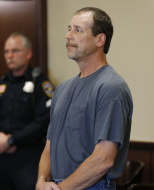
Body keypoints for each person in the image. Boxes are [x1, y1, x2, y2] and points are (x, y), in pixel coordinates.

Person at [36, 7, 133, 190]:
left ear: (100, 39)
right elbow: (49, 147)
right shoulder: (62, 89)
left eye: (78, 30)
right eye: (69, 28)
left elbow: (103, 159)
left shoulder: (111, 87)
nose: (68, 35)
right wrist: (41, 180)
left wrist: (62, 188)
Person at [0, 32, 54, 190]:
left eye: (15, 51)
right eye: (6, 51)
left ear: (28, 53)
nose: (10, 56)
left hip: (27, 157)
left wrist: (12, 140)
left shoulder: (41, 83)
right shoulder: (0, 85)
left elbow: (43, 122)